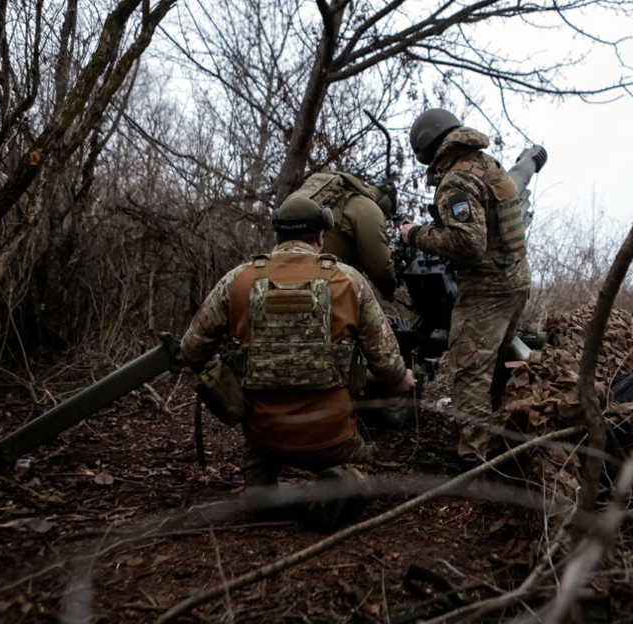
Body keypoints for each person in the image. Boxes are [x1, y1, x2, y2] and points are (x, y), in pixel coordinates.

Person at [181, 193, 415, 490]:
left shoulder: (237, 280)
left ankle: (259, 480)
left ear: (277, 235)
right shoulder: (348, 280)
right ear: (320, 236)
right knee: (361, 464)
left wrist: (225, 374)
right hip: (331, 436)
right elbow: (387, 363)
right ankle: (344, 480)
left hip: (263, 435)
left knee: (258, 453)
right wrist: (401, 377)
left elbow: (191, 351)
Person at [400, 108, 542, 465]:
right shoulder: (487, 165)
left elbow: (469, 243)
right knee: (495, 365)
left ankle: (475, 458)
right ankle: (501, 439)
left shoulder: (456, 181)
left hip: (486, 289)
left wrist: (415, 234)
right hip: (515, 281)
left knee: (469, 372)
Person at [295, 171, 399, 301]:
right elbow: (380, 268)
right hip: (323, 288)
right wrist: (390, 291)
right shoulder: (367, 207)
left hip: (285, 276)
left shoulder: (337, 198)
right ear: (385, 205)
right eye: (387, 217)